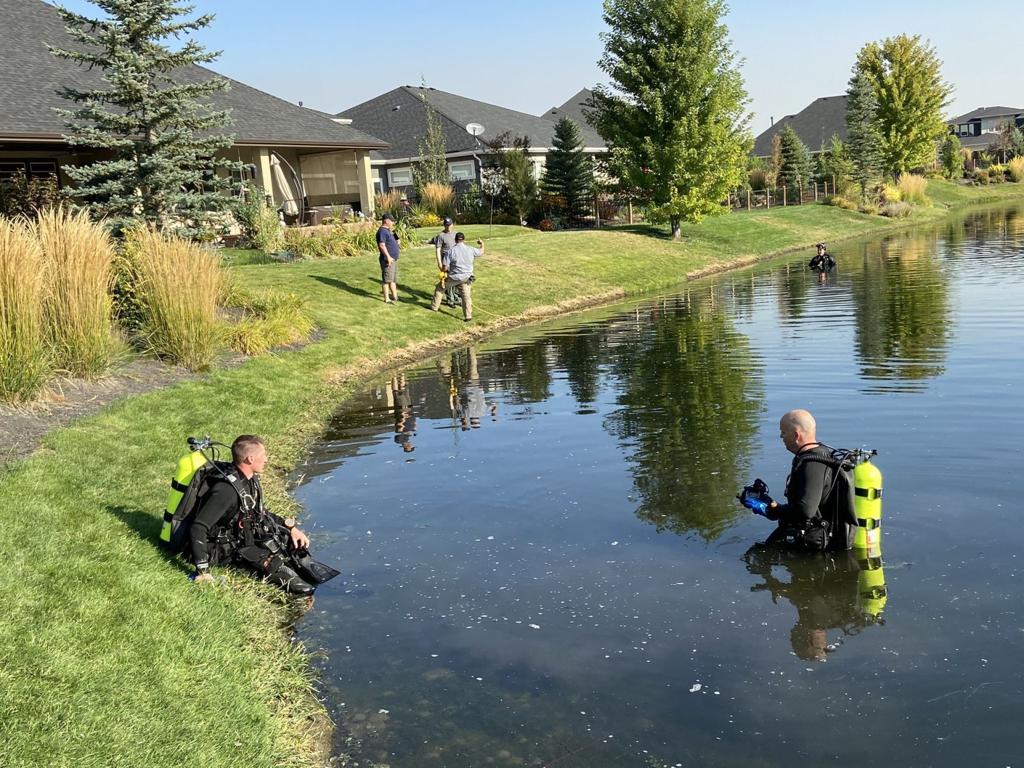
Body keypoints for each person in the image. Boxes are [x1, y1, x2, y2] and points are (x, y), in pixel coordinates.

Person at [189, 435, 337, 595]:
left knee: (292, 543)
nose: (266, 459)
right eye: (263, 455)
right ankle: (300, 587)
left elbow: (259, 512)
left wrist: (291, 528)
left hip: (243, 538)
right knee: (299, 586)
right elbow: (198, 527)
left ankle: (316, 579)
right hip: (222, 549)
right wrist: (203, 571)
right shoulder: (226, 491)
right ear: (250, 459)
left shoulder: (248, 480)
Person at [740, 409, 849, 551]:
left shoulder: (813, 464)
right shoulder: (819, 456)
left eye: (783, 432)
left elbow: (806, 510)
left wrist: (772, 510)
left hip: (814, 545)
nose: (781, 436)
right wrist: (770, 504)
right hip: (810, 535)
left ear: (796, 435)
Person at [430, 232, 483, 321]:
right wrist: (482, 244)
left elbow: (445, 267)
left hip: (454, 277)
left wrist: (443, 271)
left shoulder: (450, 251)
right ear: (464, 240)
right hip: (467, 278)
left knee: (440, 288)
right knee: (466, 296)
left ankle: (434, 307)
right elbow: (481, 252)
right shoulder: (470, 249)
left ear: (455, 240)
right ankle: (468, 316)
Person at [432, 217, 460, 307]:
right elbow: (438, 249)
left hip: (455, 261)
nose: (448, 227)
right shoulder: (441, 236)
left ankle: (456, 298)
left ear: (452, 224)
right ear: (444, 225)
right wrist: (439, 262)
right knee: (447, 280)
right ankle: (450, 300)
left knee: (455, 279)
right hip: (446, 262)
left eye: (449, 225)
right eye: (446, 225)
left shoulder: (455, 234)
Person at [376, 213, 400, 304]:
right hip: (387, 260)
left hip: (393, 259)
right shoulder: (382, 231)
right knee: (386, 280)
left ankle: (395, 297)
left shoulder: (389, 230)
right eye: (392, 221)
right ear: (386, 221)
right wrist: (388, 257)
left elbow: (396, 238)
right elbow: (382, 245)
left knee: (392, 280)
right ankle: (386, 299)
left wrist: (397, 239)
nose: (393, 223)